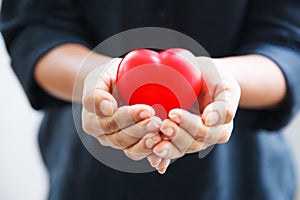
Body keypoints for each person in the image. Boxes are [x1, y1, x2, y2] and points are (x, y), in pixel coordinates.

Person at [1, 0, 300, 199]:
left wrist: (220, 80)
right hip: (89, 178)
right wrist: (101, 79)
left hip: (245, 178)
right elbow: (36, 26)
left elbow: (288, 40)